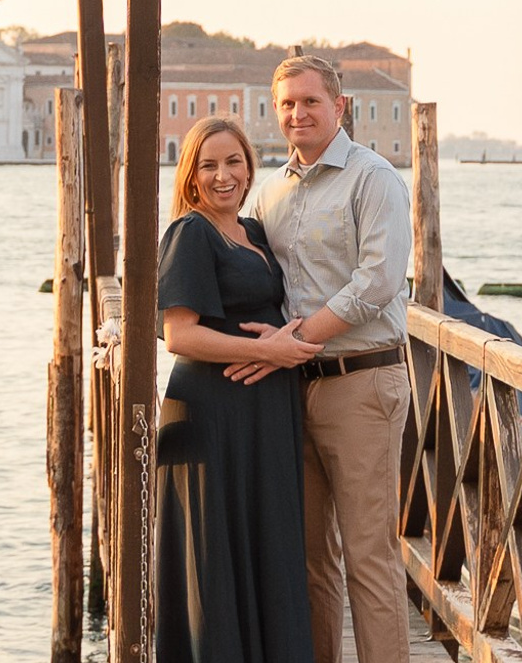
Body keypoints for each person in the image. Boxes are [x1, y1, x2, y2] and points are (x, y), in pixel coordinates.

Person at [254, 49, 415, 663]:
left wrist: (292, 342)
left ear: (339, 106)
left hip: (362, 385)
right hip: (293, 388)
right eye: (288, 104)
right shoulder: (269, 192)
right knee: (312, 558)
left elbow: (377, 283)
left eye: (311, 101)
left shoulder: (373, 179)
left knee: (369, 553)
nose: (299, 113)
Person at [154, 115, 318, 662]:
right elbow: (179, 333)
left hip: (264, 413)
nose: (223, 175)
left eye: (233, 162)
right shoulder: (189, 232)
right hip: (210, 413)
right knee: (216, 552)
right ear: (191, 175)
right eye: (209, 165)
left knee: (267, 540)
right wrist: (266, 352)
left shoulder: (253, 233)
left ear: (250, 167)